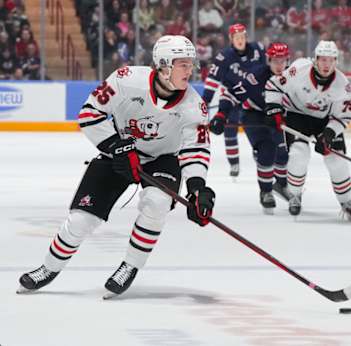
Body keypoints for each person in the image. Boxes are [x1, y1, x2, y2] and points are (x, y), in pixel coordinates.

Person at [17, 35, 216, 297]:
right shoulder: (125, 80)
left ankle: (130, 266)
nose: (190, 71)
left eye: (191, 64)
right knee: (80, 219)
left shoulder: (194, 106)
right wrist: (117, 146)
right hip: (118, 152)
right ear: (164, 65)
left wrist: (197, 188)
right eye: (183, 64)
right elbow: (89, 114)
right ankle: (48, 267)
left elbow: (195, 149)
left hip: (162, 159)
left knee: (156, 204)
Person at [264, 40, 351, 222]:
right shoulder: (298, 70)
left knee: (337, 160)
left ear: (336, 61)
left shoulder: (343, 85)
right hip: (297, 116)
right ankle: (294, 195)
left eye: (331, 60)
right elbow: (274, 85)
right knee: (299, 154)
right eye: (323, 60)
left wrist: (329, 134)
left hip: (324, 122)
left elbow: (342, 117)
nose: (327, 64)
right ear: (316, 59)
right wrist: (274, 110)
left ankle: (346, 201)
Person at [213, 43, 290, 214]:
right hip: (254, 114)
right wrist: (221, 115)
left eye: (283, 61)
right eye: (275, 61)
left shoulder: (293, 78)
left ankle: (281, 184)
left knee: (283, 154)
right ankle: (266, 190)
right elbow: (231, 93)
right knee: (267, 150)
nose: (279, 65)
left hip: (277, 117)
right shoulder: (257, 76)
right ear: (268, 60)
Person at [204, 23, 265, 178]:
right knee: (229, 130)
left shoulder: (258, 49)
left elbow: (268, 71)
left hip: (253, 98)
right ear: (231, 39)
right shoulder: (223, 56)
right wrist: (205, 102)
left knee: (257, 128)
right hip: (231, 98)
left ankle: (262, 156)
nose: (240, 40)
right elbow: (213, 80)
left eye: (242, 37)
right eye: (236, 37)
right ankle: (234, 163)